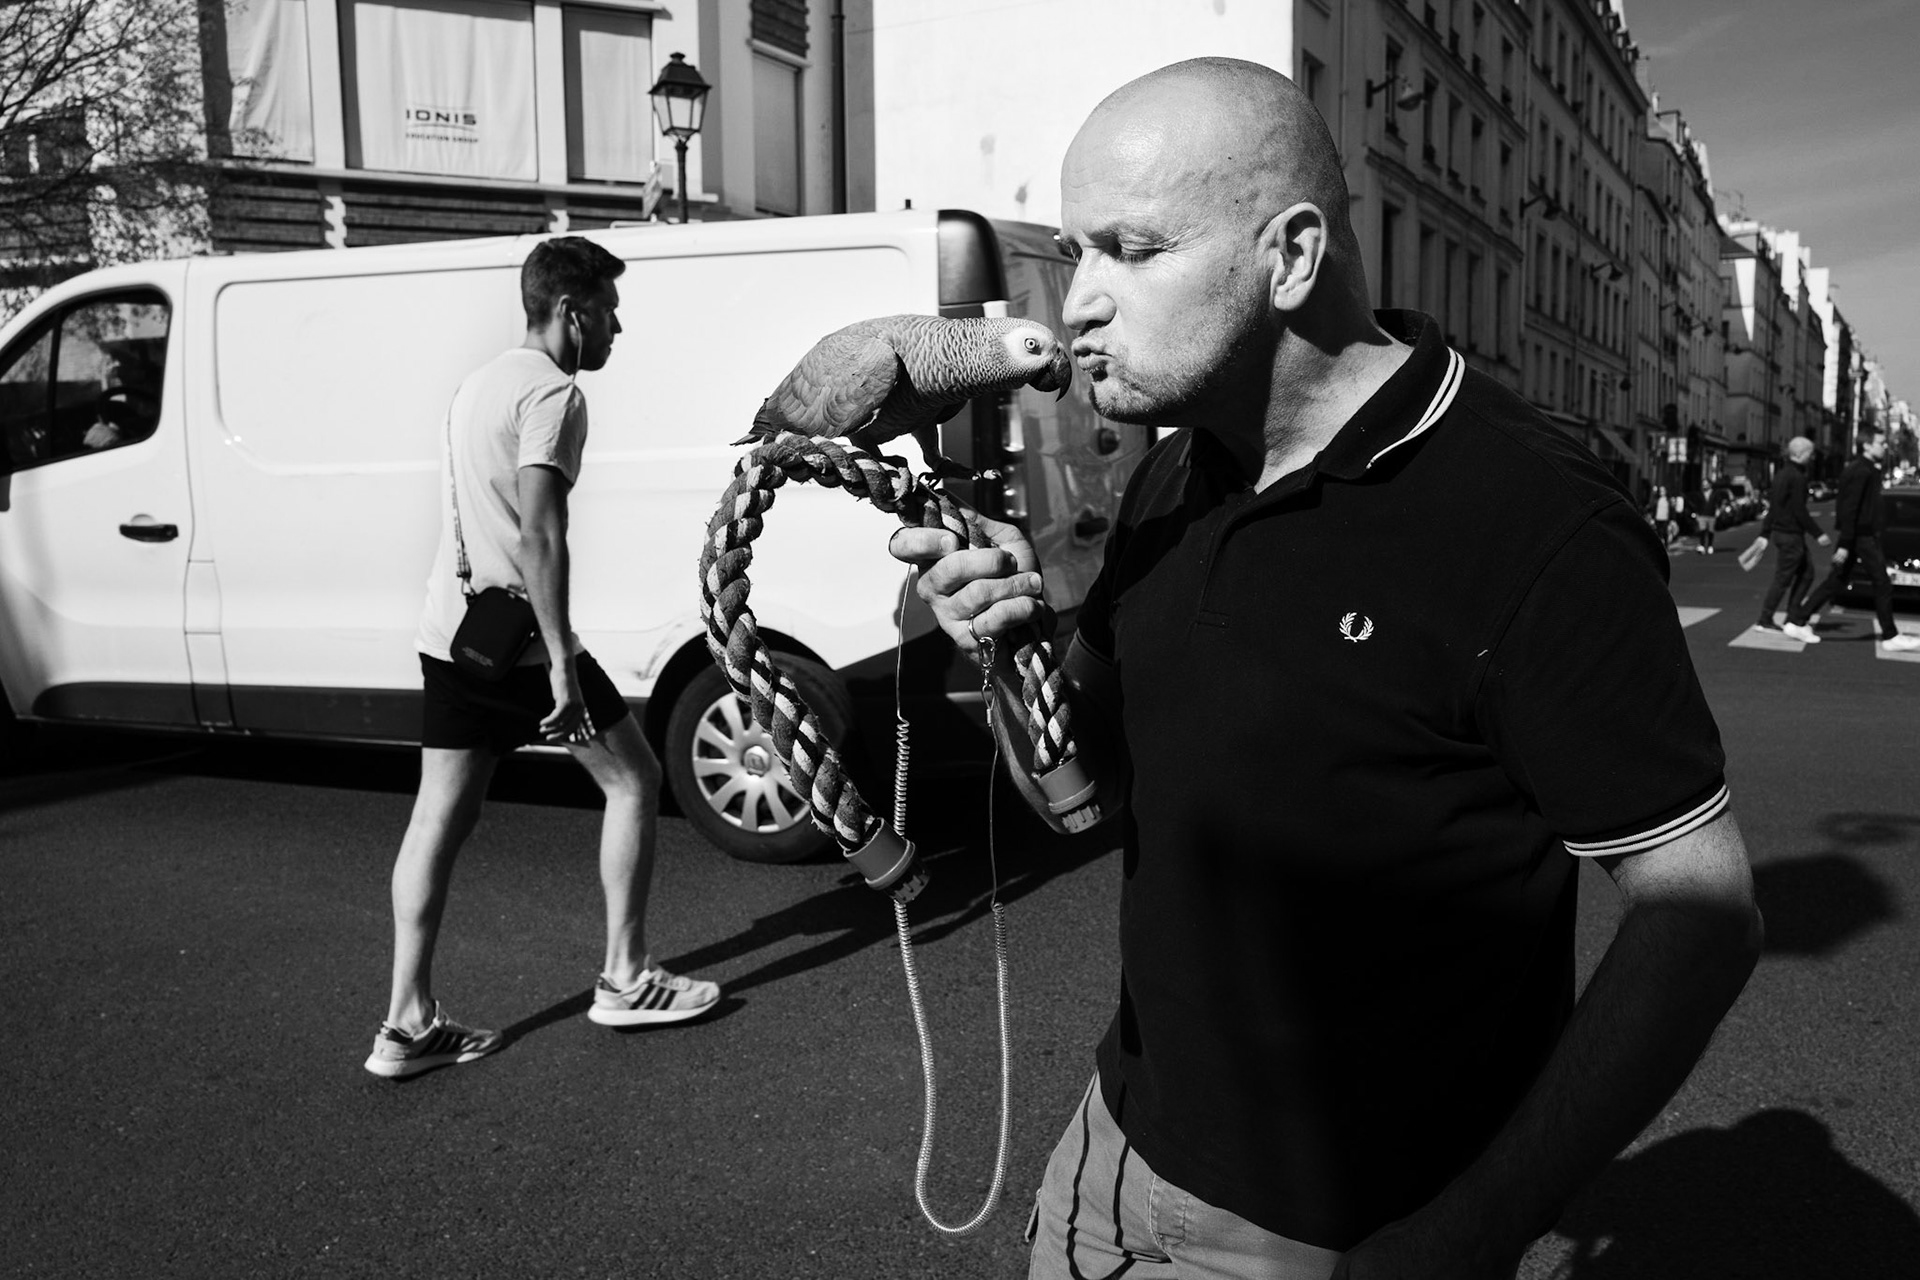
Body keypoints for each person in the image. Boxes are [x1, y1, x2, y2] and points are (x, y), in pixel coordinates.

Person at [891, 59, 1762, 1279]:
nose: (1076, 302)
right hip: (1107, 1153)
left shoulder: (1532, 518)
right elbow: (1079, 795)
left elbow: (1703, 914)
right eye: (1076, 251)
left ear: (1291, 256)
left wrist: (1472, 1229)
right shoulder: (1174, 470)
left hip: (1335, 1238)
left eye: (1129, 250)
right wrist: (1010, 653)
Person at [366, 236, 719, 1079]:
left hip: (453, 640)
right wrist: (562, 660)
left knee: (436, 823)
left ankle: (405, 1024)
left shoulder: (475, 384)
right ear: (572, 310)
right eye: (609, 310)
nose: (617, 329)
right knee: (634, 778)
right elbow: (539, 534)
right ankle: (626, 980)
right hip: (525, 647)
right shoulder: (555, 396)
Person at [1783, 426, 1920, 651]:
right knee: (1882, 583)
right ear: (1866, 445)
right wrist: (1846, 543)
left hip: (1858, 535)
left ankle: (1797, 620)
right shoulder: (1861, 471)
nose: (1883, 447)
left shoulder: (1864, 469)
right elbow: (1850, 509)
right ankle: (1890, 636)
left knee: (1836, 581)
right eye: (1879, 443)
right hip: (1860, 536)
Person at [1752, 437, 1828, 632]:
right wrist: (1818, 533)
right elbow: (1799, 510)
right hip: (1791, 534)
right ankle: (1769, 618)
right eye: (1810, 454)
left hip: (1782, 532)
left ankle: (1791, 616)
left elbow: (1774, 506)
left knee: (1805, 574)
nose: (1812, 458)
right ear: (1799, 454)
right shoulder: (1797, 477)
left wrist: (1765, 532)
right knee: (1785, 577)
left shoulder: (1781, 474)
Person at [1695, 479, 1717, 554]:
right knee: (1702, 530)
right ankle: (1702, 545)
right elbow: (1697, 504)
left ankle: (1710, 545)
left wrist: (1717, 510)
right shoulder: (1700, 493)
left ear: (1710, 484)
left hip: (1711, 514)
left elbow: (1717, 502)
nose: (1704, 485)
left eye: (1706, 484)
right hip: (1702, 514)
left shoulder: (1714, 493)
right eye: (1703, 484)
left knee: (1710, 531)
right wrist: (1697, 514)